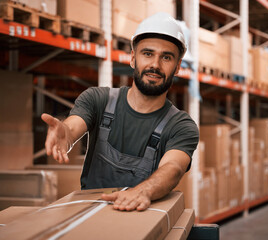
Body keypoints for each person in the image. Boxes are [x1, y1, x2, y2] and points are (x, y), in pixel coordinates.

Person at [41, 12, 199, 211]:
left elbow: (173, 168)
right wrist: (66, 133)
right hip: (89, 216)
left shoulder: (181, 126)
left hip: (142, 219)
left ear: (177, 68)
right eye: (147, 54)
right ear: (133, 58)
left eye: (166, 57)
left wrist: (143, 191)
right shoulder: (98, 100)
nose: (155, 65)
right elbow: (73, 126)